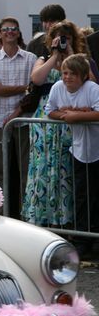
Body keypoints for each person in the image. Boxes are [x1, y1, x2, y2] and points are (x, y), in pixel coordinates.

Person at [23, 21, 93, 227]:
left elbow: (92, 82)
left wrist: (71, 54)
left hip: (71, 119)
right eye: (59, 37)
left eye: (67, 37)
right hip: (46, 121)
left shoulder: (81, 62)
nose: (63, 41)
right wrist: (54, 54)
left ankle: (69, 221)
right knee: (43, 168)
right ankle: (45, 219)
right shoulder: (44, 59)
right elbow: (36, 79)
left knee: (66, 171)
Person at [0, 17, 37, 218]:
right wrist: (23, 88)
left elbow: (33, 91)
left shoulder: (31, 58)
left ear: (18, 32)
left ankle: (26, 216)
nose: (9, 32)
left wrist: (19, 107)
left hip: (24, 120)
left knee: (25, 170)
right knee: (0, 172)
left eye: (13, 29)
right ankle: (1, 214)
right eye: (5, 29)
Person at [45, 54, 99, 245]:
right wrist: (67, 115)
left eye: (73, 74)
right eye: (65, 73)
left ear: (83, 76)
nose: (67, 77)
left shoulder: (92, 88)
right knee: (81, 194)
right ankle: (83, 239)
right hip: (78, 150)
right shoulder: (58, 87)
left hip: (96, 149)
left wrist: (77, 115)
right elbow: (49, 110)